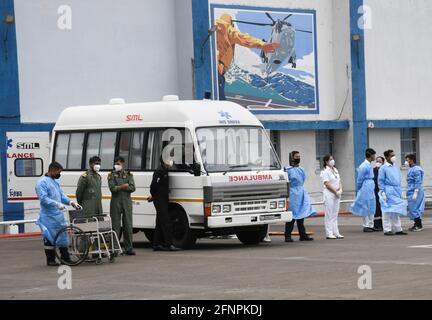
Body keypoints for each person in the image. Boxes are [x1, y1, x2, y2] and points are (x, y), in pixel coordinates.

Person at [215, 13, 279, 100]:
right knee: (220, 102)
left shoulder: (213, 27)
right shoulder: (226, 27)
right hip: (217, 70)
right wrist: (262, 44)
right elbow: (243, 38)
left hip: (208, 67)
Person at [35, 162, 81, 266]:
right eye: (58, 172)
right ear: (52, 170)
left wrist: (71, 202)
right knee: (49, 239)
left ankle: (65, 258)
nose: (59, 174)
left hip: (58, 216)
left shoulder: (55, 182)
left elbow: (61, 196)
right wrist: (56, 204)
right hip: (48, 217)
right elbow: (43, 199)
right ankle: (50, 260)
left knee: (63, 238)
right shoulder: (41, 183)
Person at [149, 156, 181, 251]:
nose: (170, 162)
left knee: (159, 222)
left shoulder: (165, 170)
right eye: (168, 160)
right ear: (163, 162)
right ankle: (169, 244)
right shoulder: (159, 171)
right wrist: (155, 196)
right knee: (166, 222)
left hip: (163, 199)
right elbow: (153, 186)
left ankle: (157, 244)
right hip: (159, 200)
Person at [284, 151, 315, 242]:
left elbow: (303, 179)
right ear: (292, 157)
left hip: (300, 192)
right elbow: (286, 182)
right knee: (292, 215)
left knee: (301, 214)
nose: (298, 158)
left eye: (299, 156)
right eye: (296, 156)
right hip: (292, 193)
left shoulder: (301, 169)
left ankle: (303, 235)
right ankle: (287, 236)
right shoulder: (287, 169)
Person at [108, 156, 136, 255]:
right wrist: (122, 186)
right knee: (115, 225)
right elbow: (112, 188)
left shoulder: (128, 174)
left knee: (128, 225)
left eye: (119, 163)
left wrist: (121, 187)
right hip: (116, 202)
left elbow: (132, 188)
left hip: (127, 202)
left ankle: (128, 248)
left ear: (123, 164)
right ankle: (114, 248)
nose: (117, 165)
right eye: (115, 163)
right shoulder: (111, 175)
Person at [378, 150, 408, 236]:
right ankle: (387, 229)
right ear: (387, 157)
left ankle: (398, 228)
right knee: (387, 210)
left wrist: (400, 191)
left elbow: (398, 179)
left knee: (396, 210)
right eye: (392, 155)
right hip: (388, 190)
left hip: (396, 190)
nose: (394, 157)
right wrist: (383, 192)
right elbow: (380, 181)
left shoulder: (395, 166)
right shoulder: (383, 168)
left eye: (394, 155)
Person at [351, 148, 377, 232]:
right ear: (370, 155)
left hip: (370, 185)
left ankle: (371, 224)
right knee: (365, 205)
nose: (375, 157)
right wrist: (359, 189)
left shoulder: (369, 165)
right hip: (365, 186)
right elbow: (360, 179)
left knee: (371, 204)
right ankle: (366, 225)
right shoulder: (363, 166)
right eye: (374, 155)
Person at [320, 155, 344, 240]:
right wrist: (335, 192)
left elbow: (339, 181)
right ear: (326, 162)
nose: (332, 160)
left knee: (335, 214)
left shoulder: (336, 170)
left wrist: (340, 190)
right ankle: (329, 233)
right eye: (330, 159)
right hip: (329, 194)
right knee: (329, 214)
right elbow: (327, 184)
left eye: (333, 159)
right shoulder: (324, 171)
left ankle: (336, 232)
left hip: (337, 194)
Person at [405, 154, 425, 232]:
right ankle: (416, 224)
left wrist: (416, 191)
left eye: (407, 160)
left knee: (414, 208)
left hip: (415, 190)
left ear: (412, 160)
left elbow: (418, 181)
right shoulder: (411, 169)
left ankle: (419, 225)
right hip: (411, 190)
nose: (406, 162)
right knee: (412, 207)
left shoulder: (417, 169)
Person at [373, 156, 385, 231]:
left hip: (383, 192)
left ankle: (384, 225)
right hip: (375, 191)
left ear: (383, 162)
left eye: (380, 161)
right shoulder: (373, 170)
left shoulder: (384, 170)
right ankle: (377, 225)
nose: (378, 163)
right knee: (376, 209)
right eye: (377, 161)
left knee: (383, 209)